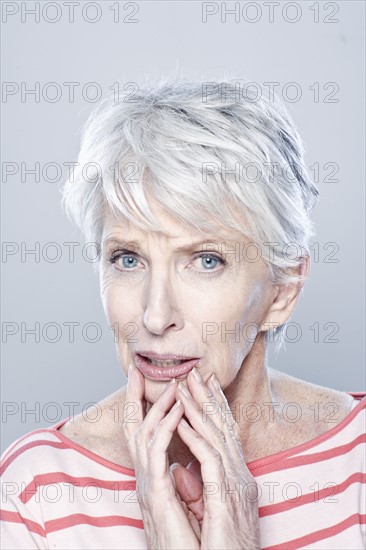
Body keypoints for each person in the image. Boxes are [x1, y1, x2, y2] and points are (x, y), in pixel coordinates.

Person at [1, 77, 365, 549]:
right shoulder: (37, 492)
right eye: (127, 259)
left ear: (283, 290)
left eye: (206, 260)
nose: (156, 316)